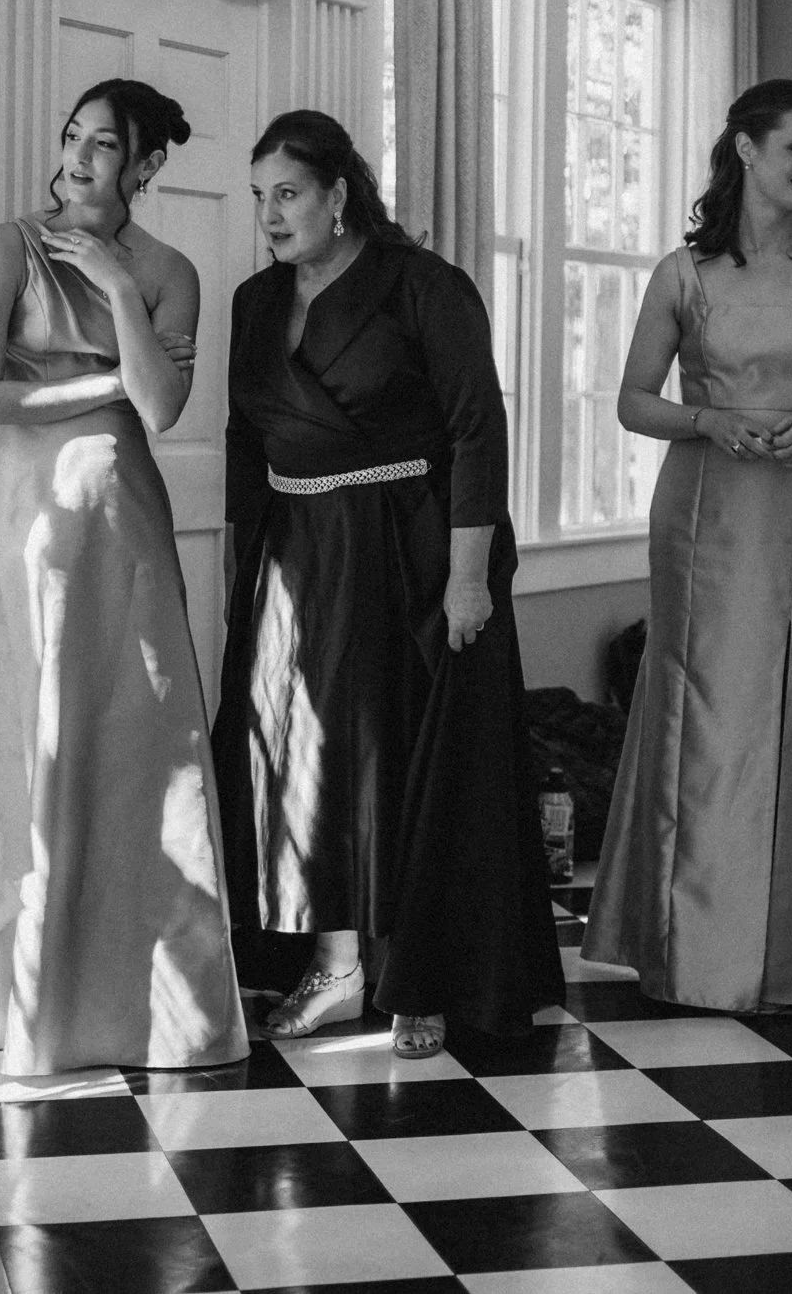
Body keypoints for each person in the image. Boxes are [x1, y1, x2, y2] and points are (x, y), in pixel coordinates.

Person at [210, 109, 563, 1060]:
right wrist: (245, 575)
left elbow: (476, 430)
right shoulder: (251, 301)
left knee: (404, 761)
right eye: (259, 199)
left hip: (408, 549)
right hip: (295, 551)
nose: (270, 217)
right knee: (295, 770)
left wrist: (469, 577)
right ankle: (332, 963)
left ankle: (424, 969)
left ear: (339, 194)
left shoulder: (424, 287)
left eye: (286, 194)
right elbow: (248, 444)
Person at [584, 79, 792, 1011]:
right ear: (745, 149)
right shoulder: (683, 274)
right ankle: (687, 941)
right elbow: (631, 399)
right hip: (704, 510)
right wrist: (707, 421)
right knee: (703, 707)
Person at [0, 78, 249, 1076]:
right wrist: (102, 380)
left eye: (103, 146)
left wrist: (119, 294)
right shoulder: (6, 245)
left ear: (145, 166)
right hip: (22, 518)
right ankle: (21, 1003)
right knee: (24, 730)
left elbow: (162, 410)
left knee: (133, 742)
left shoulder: (169, 272)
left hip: (123, 526)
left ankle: (150, 1013)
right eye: (72, 137)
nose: (79, 159)